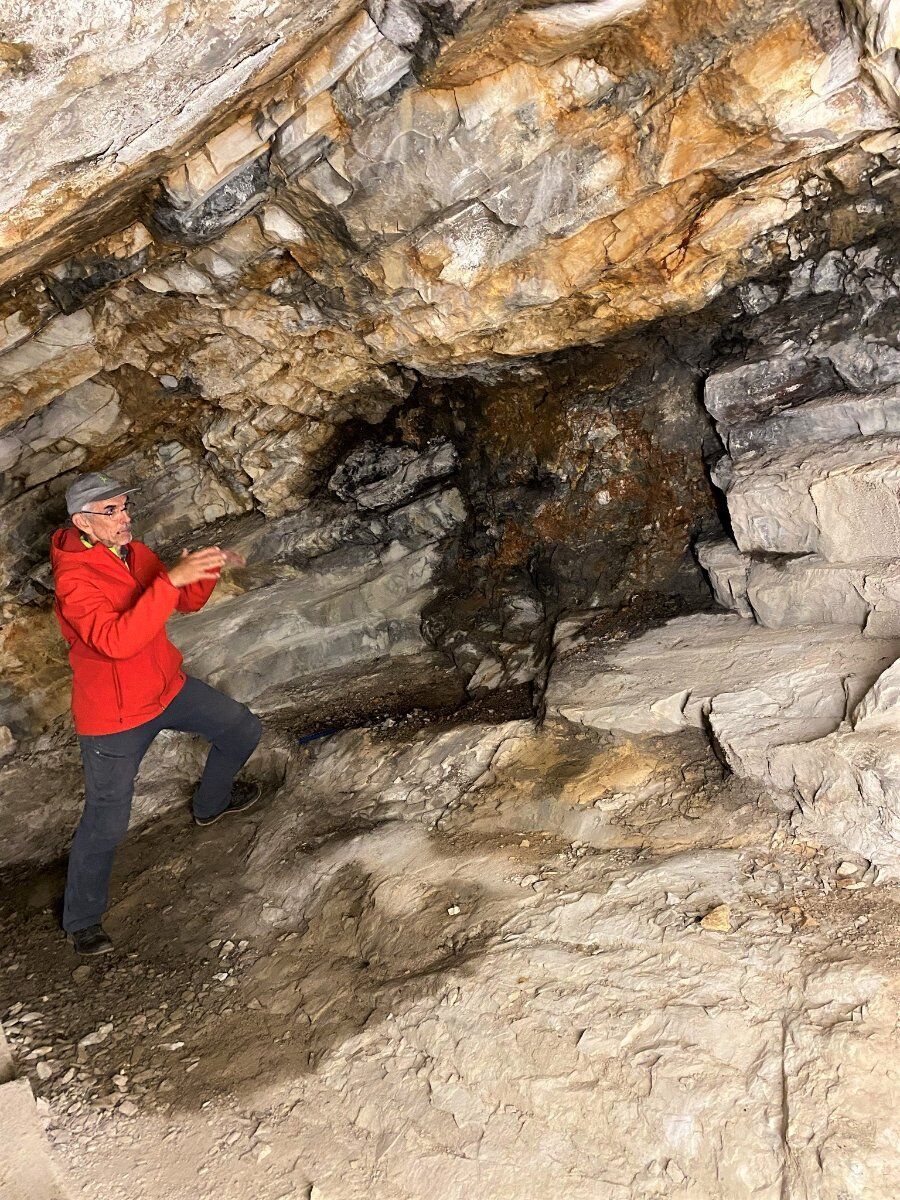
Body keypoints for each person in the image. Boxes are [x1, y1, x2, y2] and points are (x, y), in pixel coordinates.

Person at [50, 471, 263, 956]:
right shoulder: (74, 578)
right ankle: (82, 920)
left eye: (125, 507)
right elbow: (115, 641)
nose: (125, 518)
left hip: (167, 687)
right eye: (112, 511)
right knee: (106, 820)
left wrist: (203, 570)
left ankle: (211, 806)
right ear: (83, 521)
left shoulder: (132, 552)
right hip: (115, 714)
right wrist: (170, 581)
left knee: (242, 728)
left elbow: (183, 602)